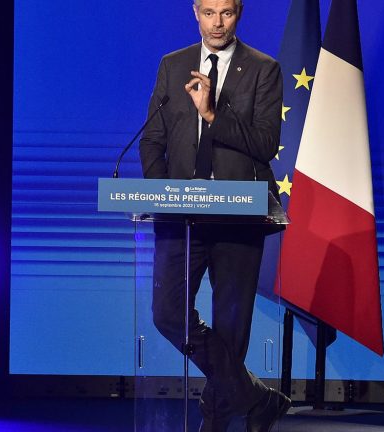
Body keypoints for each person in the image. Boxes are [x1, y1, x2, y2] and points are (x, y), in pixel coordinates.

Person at [138, 0, 291, 431]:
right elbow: (152, 139)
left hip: (239, 217)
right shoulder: (173, 65)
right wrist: (162, 191)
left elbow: (264, 144)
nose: (217, 22)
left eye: (225, 12)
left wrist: (212, 114)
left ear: (238, 13)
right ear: (195, 12)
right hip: (180, 217)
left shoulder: (263, 69)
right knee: (168, 313)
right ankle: (256, 398)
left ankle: (216, 420)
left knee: (231, 325)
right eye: (208, 12)